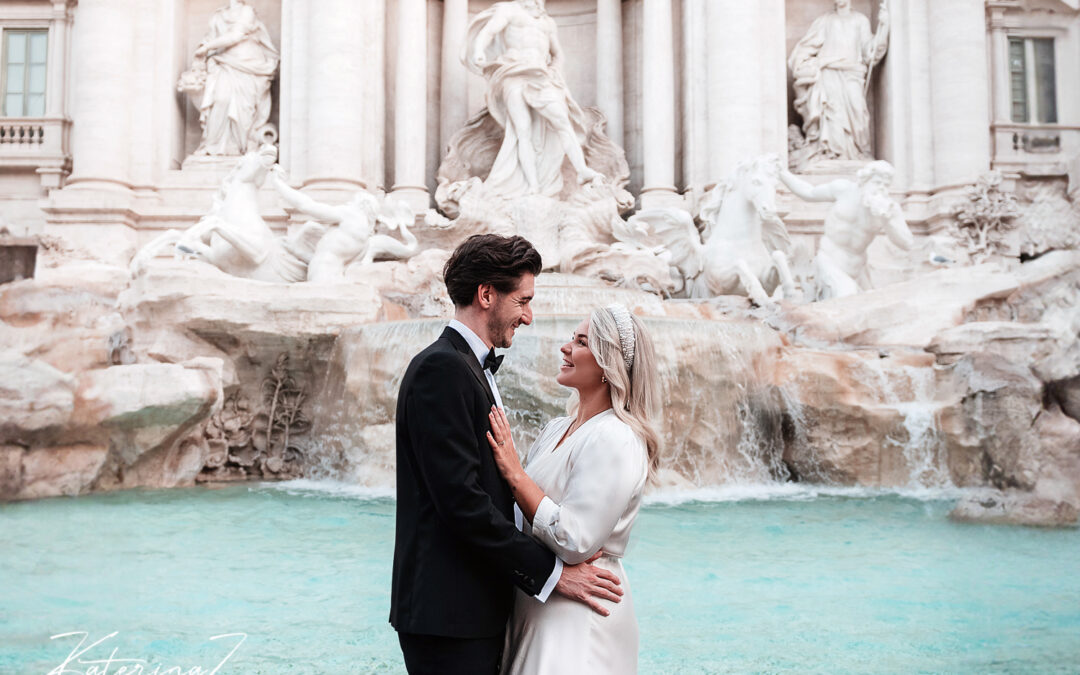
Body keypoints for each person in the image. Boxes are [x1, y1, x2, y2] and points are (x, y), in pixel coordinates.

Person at [390, 234, 625, 675]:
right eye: (523, 300)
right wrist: (555, 575)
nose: (529, 316)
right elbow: (463, 504)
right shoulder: (442, 369)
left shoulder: (465, 366)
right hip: (449, 616)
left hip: (471, 610)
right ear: (486, 295)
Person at [486, 303, 660, 674]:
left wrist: (516, 475)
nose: (566, 348)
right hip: (541, 601)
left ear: (607, 367)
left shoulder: (615, 437)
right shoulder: (556, 429)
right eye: (572, 338)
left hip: (581, 612)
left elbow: (575, 540)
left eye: (581, 342)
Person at [464, 0, 603, 198]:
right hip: (513, 73)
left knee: (562, 121)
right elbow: (488, 32)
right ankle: (533, 186)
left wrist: (555, 70)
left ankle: (581, 170)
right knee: (523, 131)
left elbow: (558, 54)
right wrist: (478, 50)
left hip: (541, 75)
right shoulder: (509, 10)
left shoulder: (547, 22)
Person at [778, 160, 914, 299]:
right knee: (846, 294)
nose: (881, 188)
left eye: (886, 185)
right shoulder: (843, 189)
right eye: (877, 183)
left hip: (858, 270)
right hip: (830, 260)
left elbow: (907, 243)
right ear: (864, 180)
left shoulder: (890, 208)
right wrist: (782, 173)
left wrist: (887, 220)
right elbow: (809, 192)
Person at [788, 0, 889, 164]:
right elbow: (805, 49)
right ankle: (831, 153)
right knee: (832, 113)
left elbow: (870, 52)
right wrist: (804, 64)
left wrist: (883, 28)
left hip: (852, 73)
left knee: (858, 111)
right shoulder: (824, 21)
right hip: (828, 72)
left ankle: (858, 152)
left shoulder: (860, 20)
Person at [190, 0, 279, 156]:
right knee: (221, 99)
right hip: (223, 62)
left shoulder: (247, 11)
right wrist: (203, 46)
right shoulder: (219, 15)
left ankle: (240, 147)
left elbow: (235, 36)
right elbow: (210, 37)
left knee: (244, 108)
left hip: (247, 64)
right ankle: (214, 146)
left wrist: (207, 47)